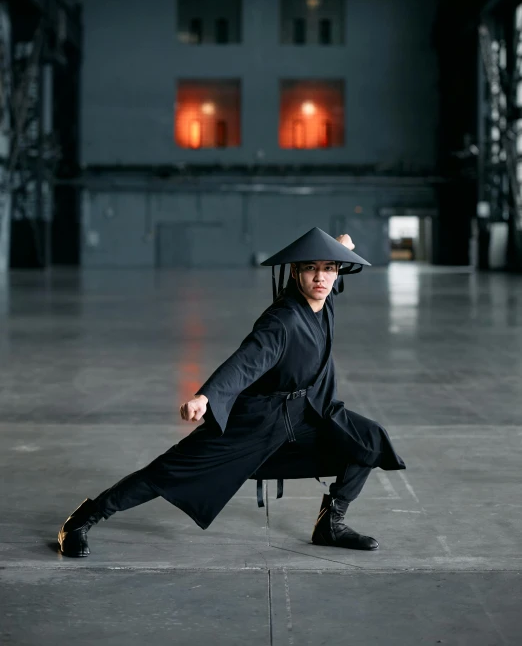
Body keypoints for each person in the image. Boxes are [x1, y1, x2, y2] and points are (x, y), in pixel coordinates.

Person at [58, 227, 405, 557]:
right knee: (169, 471)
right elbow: (245, 363)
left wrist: (341, 245)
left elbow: (331, 278)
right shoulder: (280, 322)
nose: (321, 278)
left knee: (368, 440)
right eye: (311, 269)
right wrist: (205, 396)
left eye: (329, 268)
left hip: (308, 413)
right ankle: (85, 517)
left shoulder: (324, 299)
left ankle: (330, 524)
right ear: (295, 273)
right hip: (260, 421)